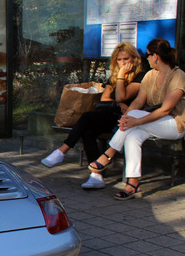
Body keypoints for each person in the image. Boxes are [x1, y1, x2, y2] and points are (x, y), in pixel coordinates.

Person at [87, 38, 185, 200]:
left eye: (148, 55)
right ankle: (133, 183)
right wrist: (126, 118)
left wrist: (134, 120)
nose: (146, 58)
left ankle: (107, 155)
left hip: (176, 124)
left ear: (155, 56)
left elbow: (166, 109)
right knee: (132, 135)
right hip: (154, 122)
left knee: (134, 120)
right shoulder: (150, 75)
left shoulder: (178, 75)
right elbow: (139, 102)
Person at [41, 42, 145, 189]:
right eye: (119, 60)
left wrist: (121, 78)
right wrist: (119, 102)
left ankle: (63, 151)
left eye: (126, 59)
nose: (123, 63)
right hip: (111, 114)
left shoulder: (140, 76)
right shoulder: (114, 77)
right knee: (87, 130)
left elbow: (122, 96)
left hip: (127, 119)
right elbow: (105, 98)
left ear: (134, 59)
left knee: (87, 118)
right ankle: (96, 176)